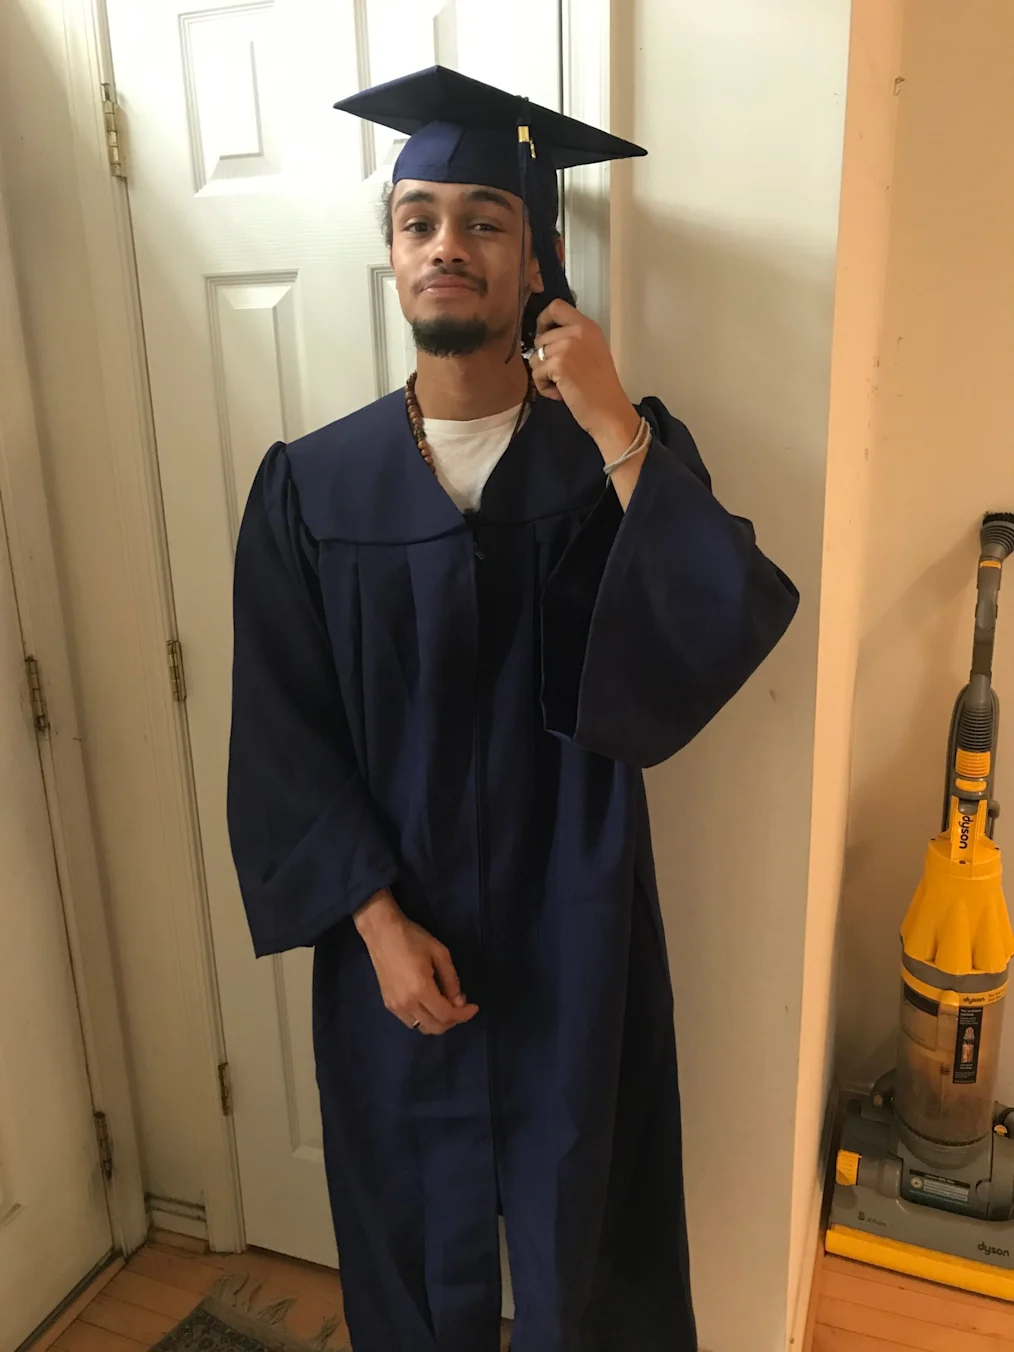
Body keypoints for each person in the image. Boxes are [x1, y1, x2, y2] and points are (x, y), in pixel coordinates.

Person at [227, 65, 798, 1352]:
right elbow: (280, 726)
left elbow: (725, 614)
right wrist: (373, 922)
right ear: (390, 255)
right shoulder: (311, 489)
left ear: (534, 260)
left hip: (576, 914)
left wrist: (608, 411)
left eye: (484, 220)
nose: (448, 244)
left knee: (586, 1218)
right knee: (402, 1225)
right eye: (419, 219)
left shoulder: (614, 454)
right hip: (393, 914)